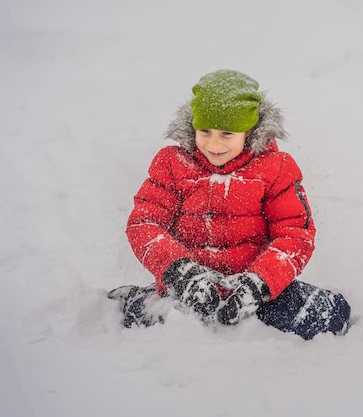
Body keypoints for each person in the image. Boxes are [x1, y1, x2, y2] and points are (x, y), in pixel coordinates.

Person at [109, 69, 350, 340]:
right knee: (144, 319)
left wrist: (260, 283)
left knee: (331, 317)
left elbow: (294, 235)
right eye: (205, 131)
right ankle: (139, 299)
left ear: (250, 131)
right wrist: (179, 272)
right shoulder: (173, 164)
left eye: (227, 133)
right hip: (189, 292)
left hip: (256, 294)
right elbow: (145, 223)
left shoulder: (276, 168)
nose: (213, 143)